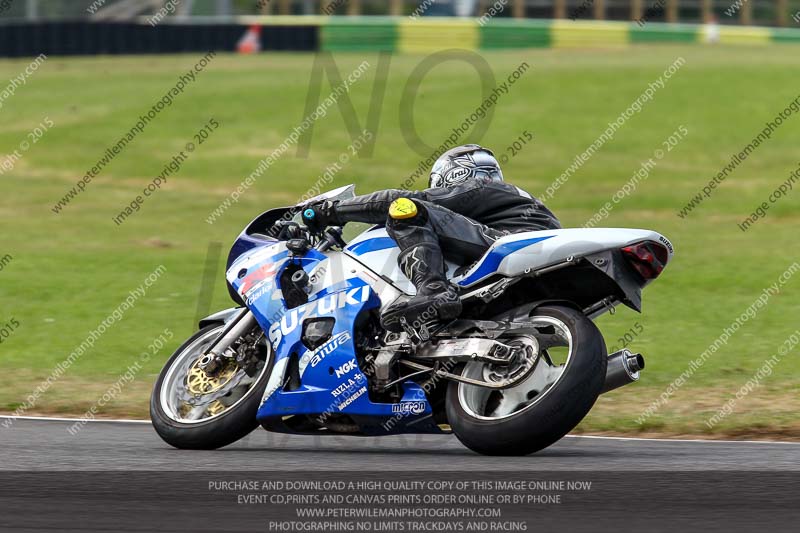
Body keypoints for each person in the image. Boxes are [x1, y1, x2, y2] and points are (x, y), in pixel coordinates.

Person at [304, 144, 560, 333]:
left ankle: (432, 291)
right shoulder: (513, 202)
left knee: (406, 208)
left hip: (506, 243)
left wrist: (331, 211)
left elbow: (397, 200)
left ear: (454, 174)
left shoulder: (479, 188)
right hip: (534, 271)